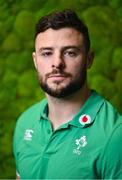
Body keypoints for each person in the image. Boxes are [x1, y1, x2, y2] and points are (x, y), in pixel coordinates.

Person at [13, 9, 122, 179]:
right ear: (35, 60)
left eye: (70, 52)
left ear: (89, 59)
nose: (57, 63)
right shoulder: (24, 122)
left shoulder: (115, 135)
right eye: (47, 53)